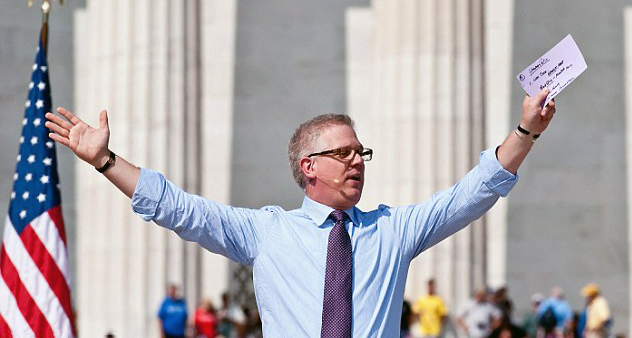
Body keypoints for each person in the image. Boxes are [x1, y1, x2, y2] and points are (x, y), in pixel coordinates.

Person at [45, 88, 556, 337]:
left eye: (362, 152)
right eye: (344, 153)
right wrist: (107, 161)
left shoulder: (392, 230)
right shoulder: (267, 232)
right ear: (309, 167)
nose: (358, 160)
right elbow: (179, 209)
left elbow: (472, 193)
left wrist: (526, 131)